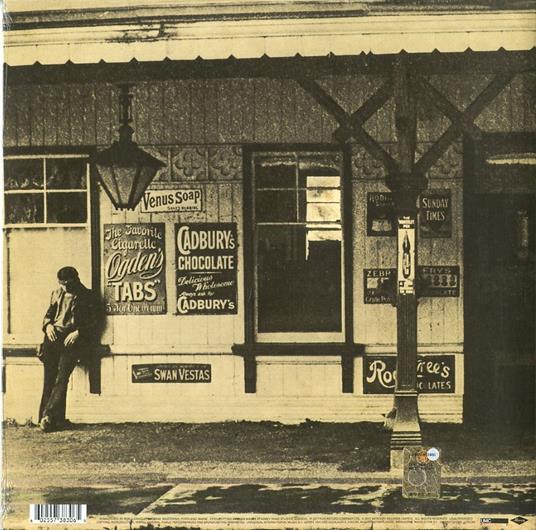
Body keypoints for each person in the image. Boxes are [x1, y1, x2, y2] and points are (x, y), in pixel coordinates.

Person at [38, 266, 98, 432]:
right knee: (49, 378)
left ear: (76, 280)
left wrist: (79, 332)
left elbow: (95, 322)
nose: (65, 287)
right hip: (52, 339)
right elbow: (48, 315)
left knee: (62, 377)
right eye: (61, 284)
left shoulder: (88, 296)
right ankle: (53, 420)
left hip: (71, 342)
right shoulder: (57, 293)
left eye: (67, 284)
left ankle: (48, 416)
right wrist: (48, 325)